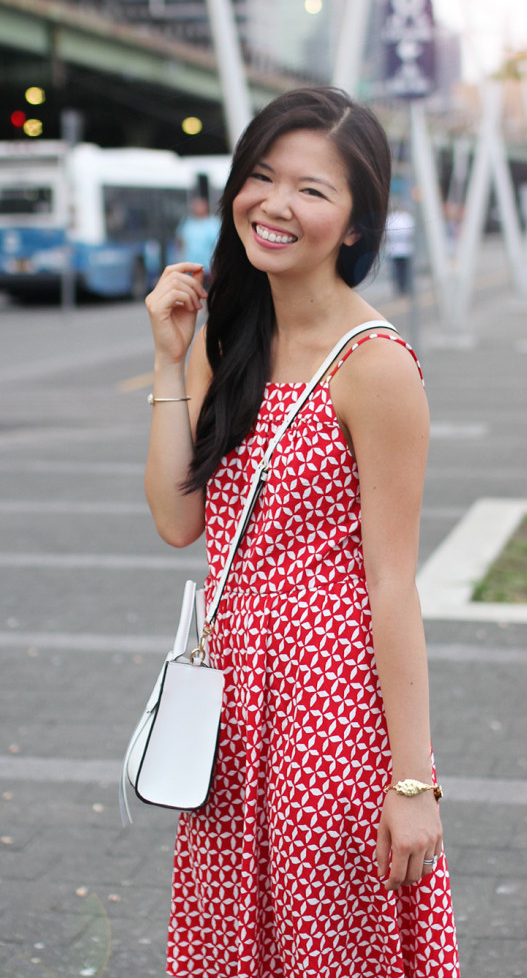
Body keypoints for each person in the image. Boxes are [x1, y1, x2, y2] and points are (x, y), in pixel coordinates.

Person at [144, 87, 460, 978]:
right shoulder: (229, 339)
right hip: (229, 709)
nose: (276, 205)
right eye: (261, 177)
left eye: (313, 191)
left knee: (329, 950)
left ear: (357, 224)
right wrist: (171, 357)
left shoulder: (376, 367)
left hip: (332, 711)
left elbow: (393, 581)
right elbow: (178, 522)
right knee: (230, 945)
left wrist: (411, 784)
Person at [174, 196, 221, 287]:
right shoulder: (187, 224)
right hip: (190, 268)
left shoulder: (213, 224)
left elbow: (217, 245)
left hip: (208, 269)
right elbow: (180, 242)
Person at [385, 203, 415, 294]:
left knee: (399, 270)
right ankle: (401, 287)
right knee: (400, 270)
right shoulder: (402, 218)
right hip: (400, 249)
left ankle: (402, 287)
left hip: (399, 249)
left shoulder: (395, 218)